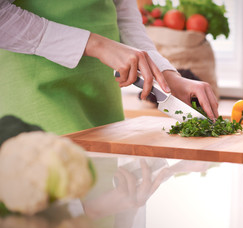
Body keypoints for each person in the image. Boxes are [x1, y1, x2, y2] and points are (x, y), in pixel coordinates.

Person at [0, 0, 219, 135]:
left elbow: (125, 19)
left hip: (102, 99)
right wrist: (95, 44)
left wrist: (169, 77)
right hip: (37, 96)